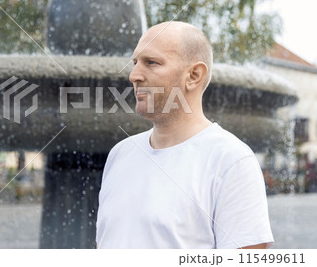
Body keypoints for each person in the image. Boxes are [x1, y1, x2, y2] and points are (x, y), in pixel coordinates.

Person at [96, 21, 274, 249]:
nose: (134, 75)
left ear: (194, 75)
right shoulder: (120, 154)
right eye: (134, 63)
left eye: (151, 62)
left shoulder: (231, 161)